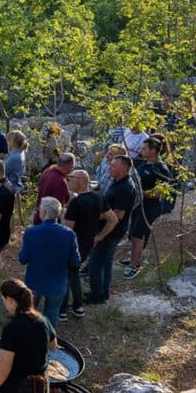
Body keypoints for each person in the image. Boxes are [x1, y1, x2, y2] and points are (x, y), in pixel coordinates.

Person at [18, 197, 80, 329]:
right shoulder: (69, 234)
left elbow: (23, 259)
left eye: (40, 209)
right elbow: (76, 261)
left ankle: (28, 336)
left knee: (29, 312)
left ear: (44, 212)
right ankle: (48, 339)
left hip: (34, 281)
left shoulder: (31, 232)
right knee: (52, 314)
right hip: (58, 282)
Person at [61, 170, 113, 320]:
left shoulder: (76, 202)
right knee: (74, 273)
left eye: (70, 178)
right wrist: (99, 237)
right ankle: (78, 307)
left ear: (79, 180)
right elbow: (113, 219)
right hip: (87, 245)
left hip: (72, 246)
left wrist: (62, 213)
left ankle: (62, 311)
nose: (68, 181)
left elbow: (66, 230)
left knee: (65, 275)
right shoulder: (99, 197)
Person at [87, 156, 137, 304]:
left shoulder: (125, 188)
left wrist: (95, 217)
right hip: (111, 230)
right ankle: (102, 293)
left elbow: (118, 215)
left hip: (111, 231)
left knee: (95, 263)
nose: (110, 168)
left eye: (113, 166)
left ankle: (96, 296)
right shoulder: (118, 182)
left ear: (122, 170)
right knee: (106, 262)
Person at [124, 137, 173, 279]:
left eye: (144, 148)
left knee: (138, 235)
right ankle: (134, 257)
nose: (141, 150)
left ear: (153, 151)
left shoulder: (161, 169)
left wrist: (140, 192)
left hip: (149, 208)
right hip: (137, 205)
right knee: (133, 233)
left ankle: (134, 266)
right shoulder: (143, 163)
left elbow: (160, 193)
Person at [33, 153, 74, 225]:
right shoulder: (60, 182)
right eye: (73, 166)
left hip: (39, 215)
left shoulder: (47, 171)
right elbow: (58, 207)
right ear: (69, 165)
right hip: (49, 222)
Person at [4, 131, 28, 195]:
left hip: (9, 188)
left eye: (9, 139)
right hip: (16, 186)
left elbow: (2, 172)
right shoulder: (20, 152)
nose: (7, 140)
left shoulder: (14, 157)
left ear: (14, 142)